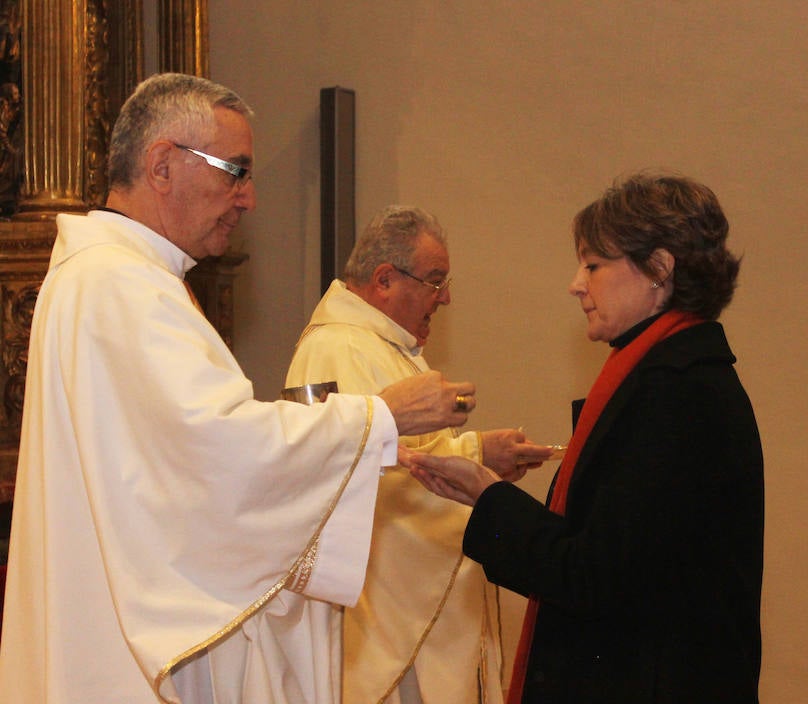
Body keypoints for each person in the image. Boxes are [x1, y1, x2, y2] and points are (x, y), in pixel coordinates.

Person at [0, 73, 478, 704]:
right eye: (235, 171)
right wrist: (379, 417)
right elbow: (217, 452)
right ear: (163, 164)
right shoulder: (121, 285)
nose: (248, 198)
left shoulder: (114, 275)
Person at [409, 173, 765, 703]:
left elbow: (592, 576)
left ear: (659, 270)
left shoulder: (676, 392)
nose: (576, 283)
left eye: (594, 265)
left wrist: (489, 499)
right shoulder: (668, 375)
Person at [285, 205, 552, 704]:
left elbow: (398, 455)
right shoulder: (336, 349)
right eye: (435, 281)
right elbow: (359, 486)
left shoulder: (384, 346)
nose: (445, 297)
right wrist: (476, 473)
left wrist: (480, 453)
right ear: (385, 280)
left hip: (422, 622)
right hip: (391, 629)